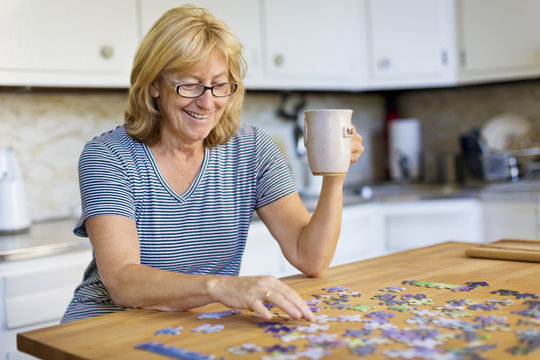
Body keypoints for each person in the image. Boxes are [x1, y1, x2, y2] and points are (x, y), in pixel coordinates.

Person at [62, 5, 364, 323]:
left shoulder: (252, 148)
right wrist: (220, 287)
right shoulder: (107, 156)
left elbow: (310, 257)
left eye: (220, 84)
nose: (208, 102)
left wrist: (335, 174)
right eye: (190, 85)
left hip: (199, 322)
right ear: (153, 85)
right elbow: (123, 283)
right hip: (105, 324)